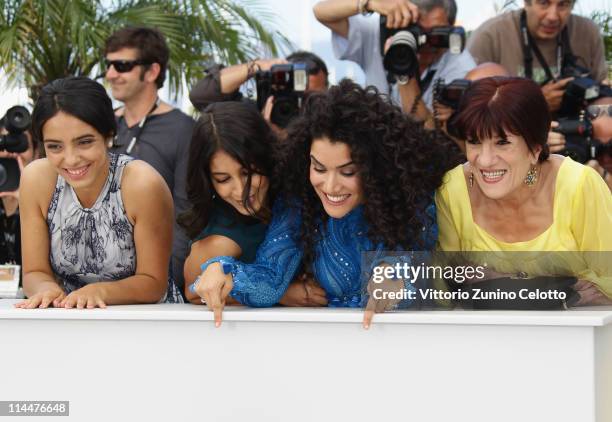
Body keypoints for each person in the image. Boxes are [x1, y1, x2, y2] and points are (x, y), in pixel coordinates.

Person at [191, 79, 461, 327]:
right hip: (327, 350)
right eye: (319, 168)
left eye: (347, 172)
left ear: (376, 167)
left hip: (412, 347)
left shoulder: (412, 200)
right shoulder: (299, 203)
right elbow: (270, 278)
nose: (330, 187)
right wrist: (226, 271)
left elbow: (412, 269)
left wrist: (392, 278)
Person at [435, 77, 612, 306]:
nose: (485, 160)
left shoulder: (578, 184)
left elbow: (609, 285)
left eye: (502, 143)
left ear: (536, 146)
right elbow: (441, 294)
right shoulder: (454, 188)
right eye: (474, 141)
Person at [15, 76, 180, 309]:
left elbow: (153, 283)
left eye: (84, 142)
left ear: (109, 135)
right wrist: (46, 288)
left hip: (148, 322)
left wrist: (99, 291)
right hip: (70, 320)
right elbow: (34, 271)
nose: (71, 159)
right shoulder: (36, 180)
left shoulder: (142, 184)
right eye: (55, 146)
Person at [180, 101, 327, 306]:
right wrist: (281, 296)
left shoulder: (299, 186)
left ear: (266, 156)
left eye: (248, 173)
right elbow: (194, 292)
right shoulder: (219, 242)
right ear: (208, 181)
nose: (241, 190)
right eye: (223, 179)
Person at [104, 26, 194, 295]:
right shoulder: (100, 125)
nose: (111, 74)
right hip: (97, 273)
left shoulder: (183, 129)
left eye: (122, 65)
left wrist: (167, 282)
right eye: (108, 65)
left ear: (152, 72)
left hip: (156, 282)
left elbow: (186, 215)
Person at [313, 0, 475, 121]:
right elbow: (321, 12)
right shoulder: (378, 35)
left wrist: (404, 74)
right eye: (416, 31)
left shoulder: (462, 67)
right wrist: (370, 3)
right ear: (398, 24)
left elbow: (431, 133)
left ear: (452, 29)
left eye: (435, 34)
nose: (424, 41)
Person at [467, 0, 608, 114]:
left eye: (563, 4)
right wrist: (536, 102)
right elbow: (471, 109)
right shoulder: (490, 35)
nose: (552, 16)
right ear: (526, 3)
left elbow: (600, 91)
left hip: (576, 126)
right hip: (512, 132)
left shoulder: (588, 31)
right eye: (544, 3)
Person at [189, 51, 329, 111]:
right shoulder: (254, 116)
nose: (300, 105)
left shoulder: (325, 131)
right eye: (294, 94)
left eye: (310, 99)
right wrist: (256, 67)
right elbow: (201, 97)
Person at [0, 123, 39, 267]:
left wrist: (30, 202)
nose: (11, 153)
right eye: (5, 144)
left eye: (20, 145)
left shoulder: (50, 201)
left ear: (36, 153)